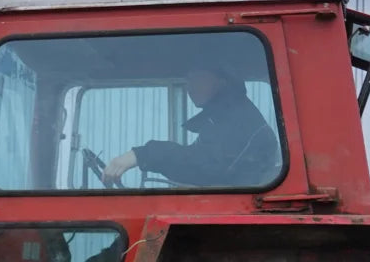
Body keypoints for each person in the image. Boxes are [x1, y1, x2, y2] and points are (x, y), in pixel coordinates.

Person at [101, 66, 279, 188]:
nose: (189, 87)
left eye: (196, 78)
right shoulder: (222, 117)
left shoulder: (238, 118)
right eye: (187, 80)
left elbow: (206, 164)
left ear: (222, 81)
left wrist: (143, 154)